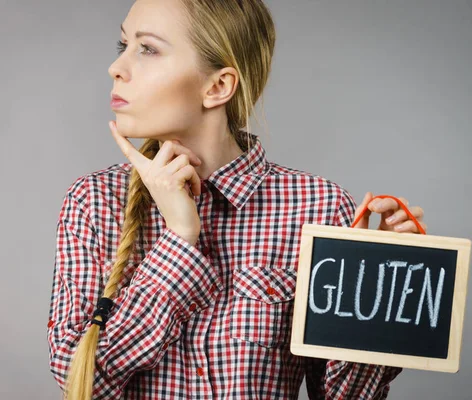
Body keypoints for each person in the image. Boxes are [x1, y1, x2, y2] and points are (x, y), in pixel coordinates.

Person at [46, 0, 427, 399]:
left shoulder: (319, 208)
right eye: (122, 45)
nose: (116, 68)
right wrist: (179, 238)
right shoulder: (94, 202)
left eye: (148, 49)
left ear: (217, 87)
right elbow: (83, 384)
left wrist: (380, 294)